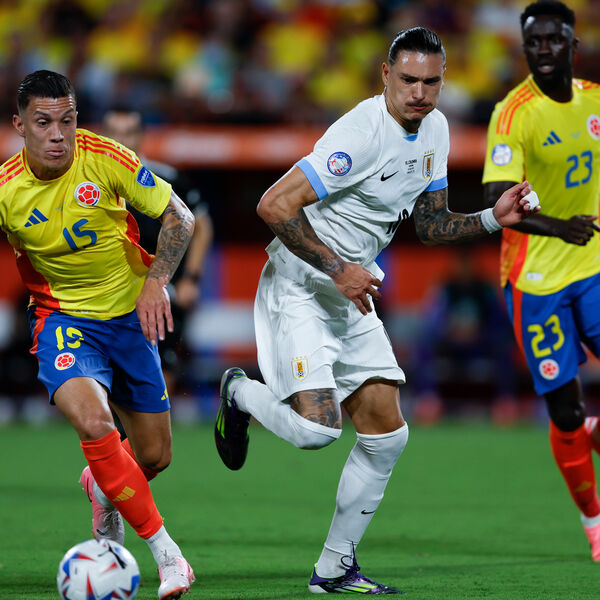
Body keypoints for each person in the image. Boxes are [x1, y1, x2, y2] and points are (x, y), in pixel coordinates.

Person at [214, 28, 537, 594]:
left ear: (443, 82)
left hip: (350, 289)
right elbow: (274, 204)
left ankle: (333, 569)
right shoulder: (360, 135)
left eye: (431, 82)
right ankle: (239, 393)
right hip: (301, 284)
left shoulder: (435, 129)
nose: (419, 93)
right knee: (317, 432)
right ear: (385, 75)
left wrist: (493, 218)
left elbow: (430, 224)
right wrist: (338, 268)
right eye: (408, 80)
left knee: (387, 435)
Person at [0, 70, 195, 599]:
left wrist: (156, 282)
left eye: (67, 120)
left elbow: (180, 217)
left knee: (153, 457)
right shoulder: (7, 190)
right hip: (62, 322)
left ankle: (103, 485)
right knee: (94, 421)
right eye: (44, 123)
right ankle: (169, 557)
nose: (57, 134)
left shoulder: (106, 157)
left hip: (131, 319)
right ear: (20, 125)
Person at [482, 0, 600, 562]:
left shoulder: (595, 100)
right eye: (534, 42)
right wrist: (560, 227)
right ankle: (593, 520)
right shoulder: (512, 114)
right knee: (566, 413)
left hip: (592, 266)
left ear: (573, 44)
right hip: (535, 279)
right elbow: (496, 201)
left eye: (554, 40)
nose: (544, 50)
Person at [102, 107, 213, 398]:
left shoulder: (164, 178)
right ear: (103, 136)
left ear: (140, 136)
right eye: (114, 133)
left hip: (162, 288)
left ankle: (156, 425)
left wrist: (191, 278)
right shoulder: (89, 184)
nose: (121, 141)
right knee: (109, 370)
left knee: (161, 367)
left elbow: (201, 225)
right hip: (108, 291)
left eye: (128, 133)